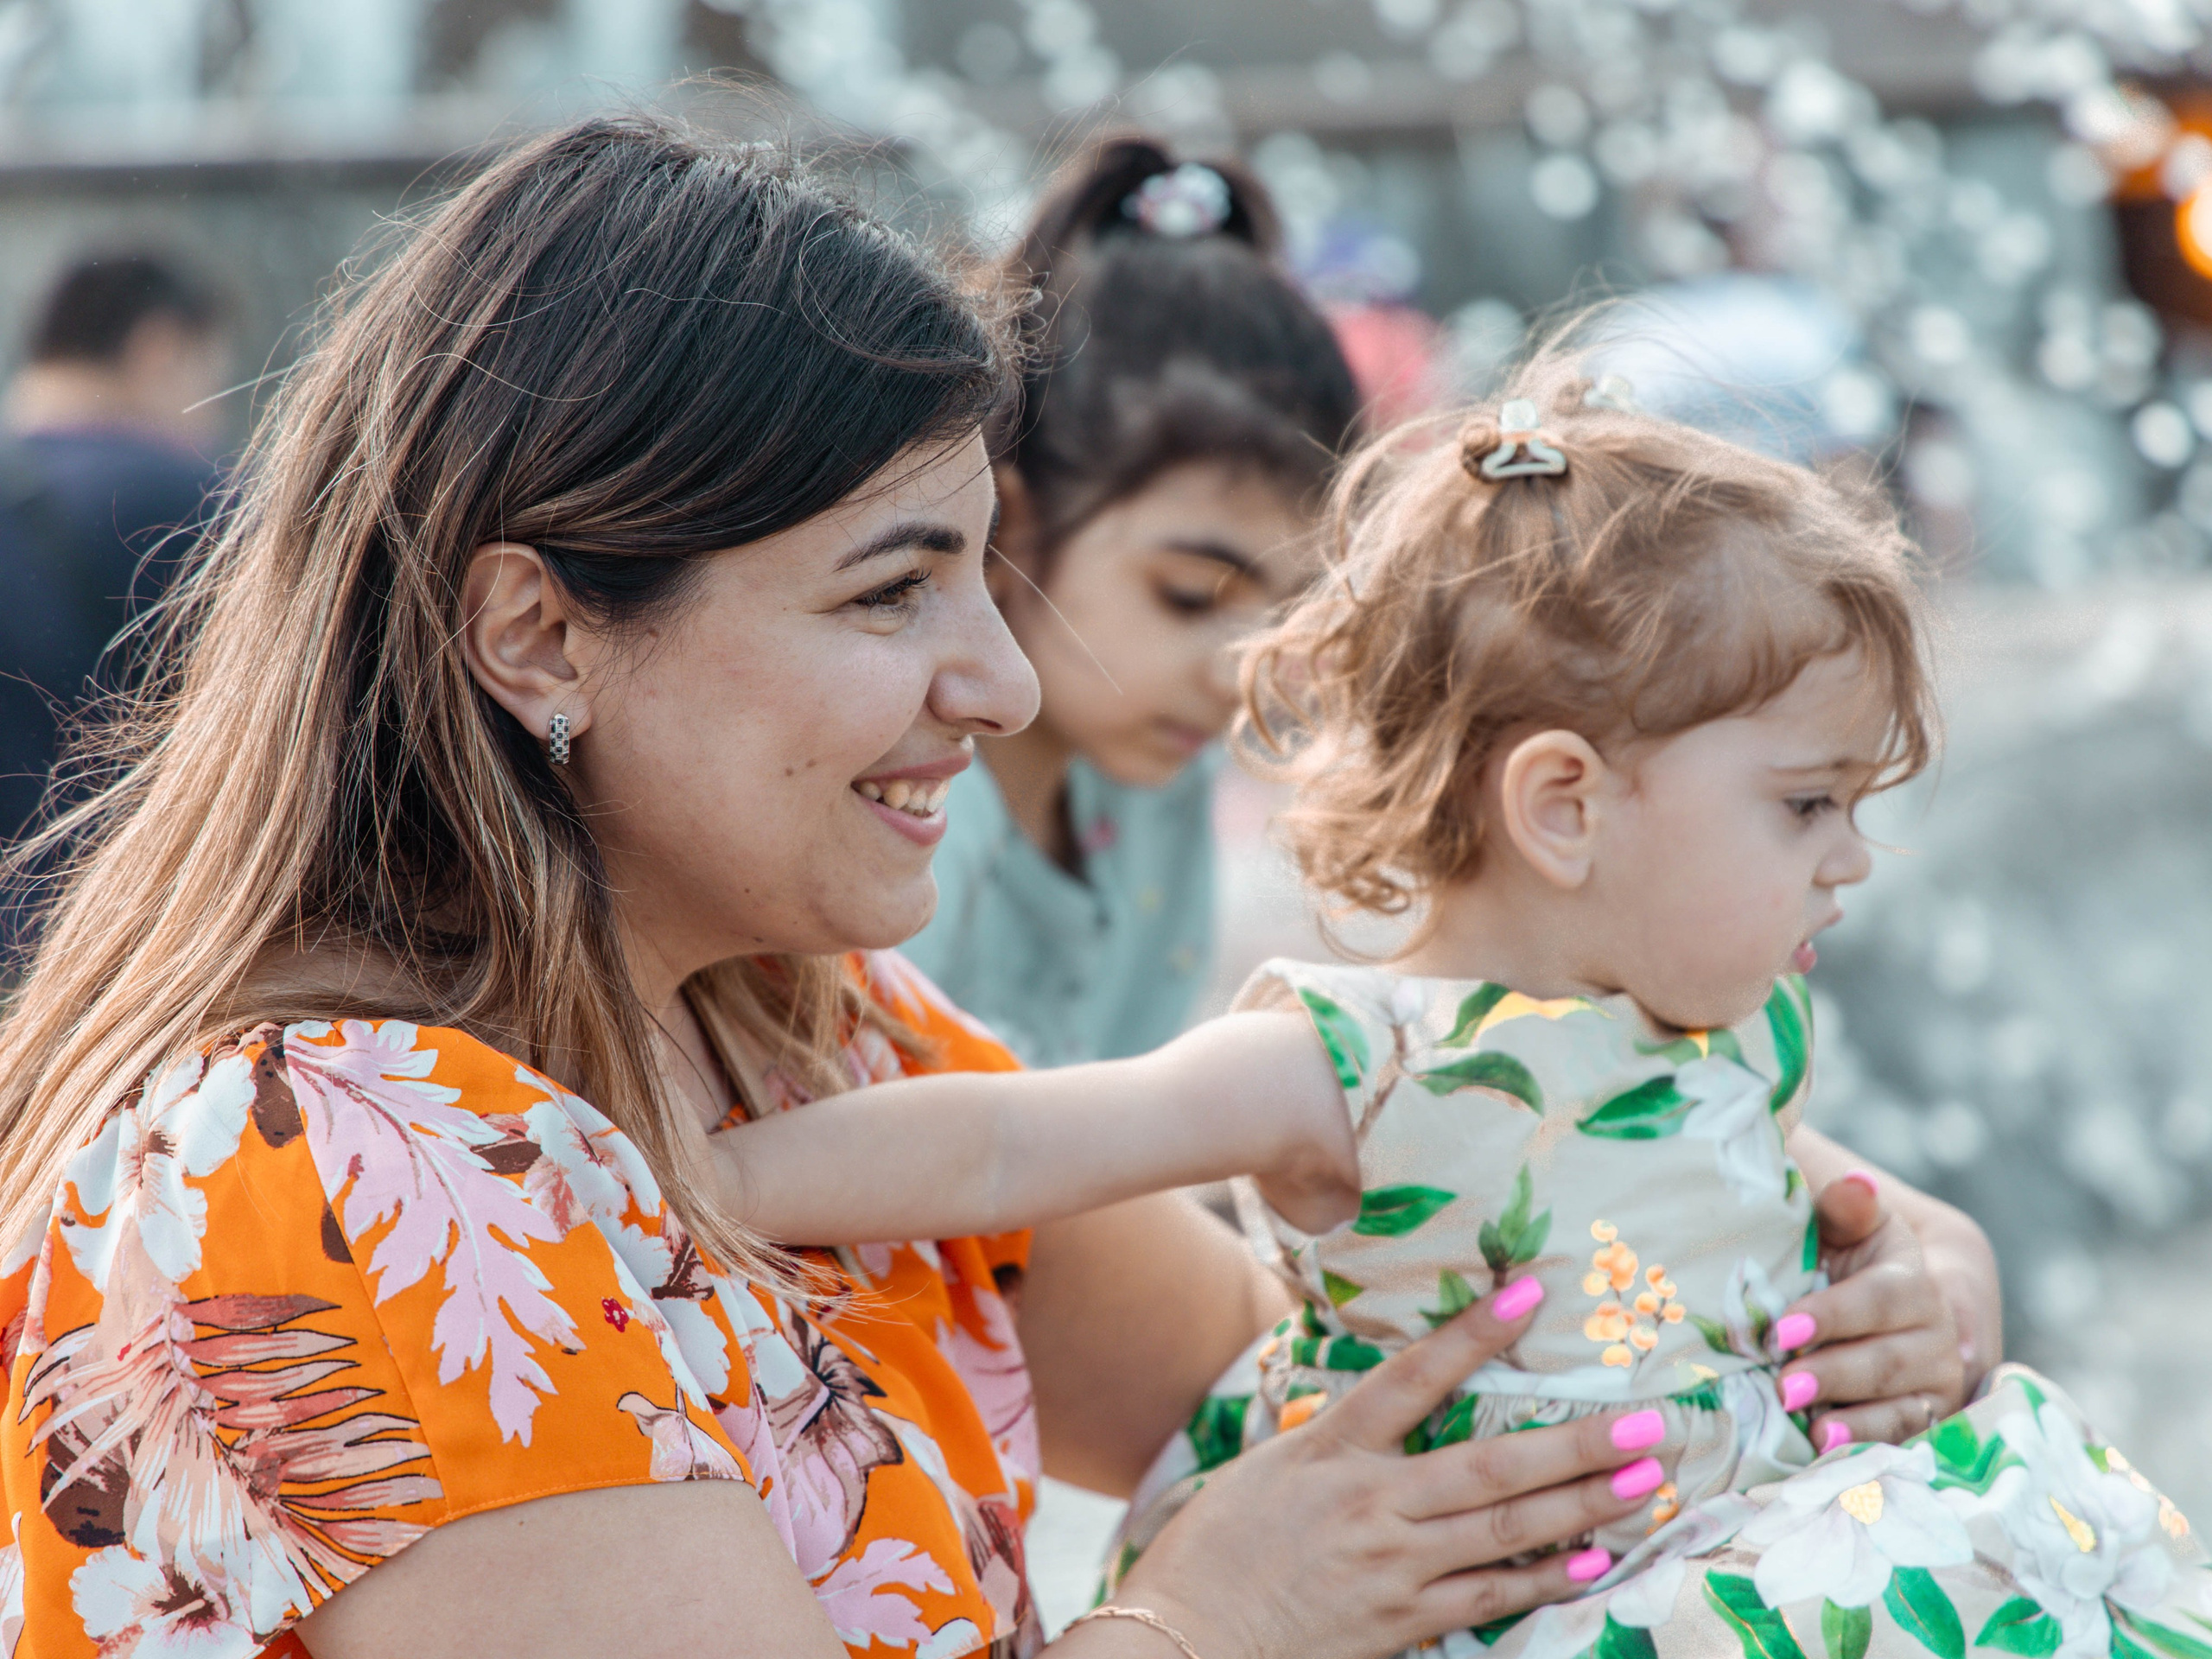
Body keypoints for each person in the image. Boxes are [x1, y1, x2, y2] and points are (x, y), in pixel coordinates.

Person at [0, 118, 1731, 1659]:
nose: (1003, 683)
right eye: (889, 594)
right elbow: (1255, 1541)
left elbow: (1311, 1374)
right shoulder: (329, 1159)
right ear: (537, 631)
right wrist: (1208, 1625)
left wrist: (1806, 1258)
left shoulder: (801, 1030)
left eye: (980, 574)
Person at [704, 346, 2208, 1652]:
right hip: (1496, 1608)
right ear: (1563, 807)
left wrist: (1939, 1274)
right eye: (1808, 805)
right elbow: (1003, 1153)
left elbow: (1831, 1208)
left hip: (1744, 1568)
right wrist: (697, 1181)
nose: (1853, 862)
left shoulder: (1731, 1033)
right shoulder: (1358, 1061)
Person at [900, 137, 1361, 1066]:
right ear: (1009, 527)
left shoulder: (1156, 791)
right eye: (1189, 598)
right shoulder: (904, 802)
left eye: (1288, 613)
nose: (1244, 674)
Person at [0, 253, 230, 835]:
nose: (215, 422)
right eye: (213, 383)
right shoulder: (189, 500)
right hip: (111, 899)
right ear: (161, 348)